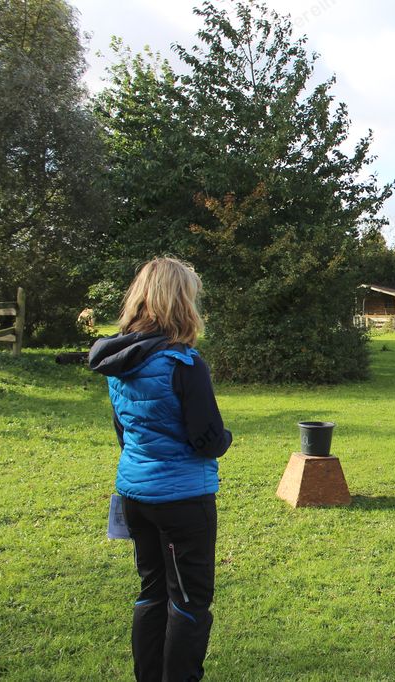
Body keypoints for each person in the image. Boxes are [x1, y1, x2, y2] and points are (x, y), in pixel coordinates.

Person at [89, 257, 232, 681]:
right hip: (182, 500)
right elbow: (208, 440)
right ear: (180, 302)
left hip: (136, 496)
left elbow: (124, 431)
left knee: (152, 593)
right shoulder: (184, 363)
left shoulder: (119, 360)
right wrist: (225, 438)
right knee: (189, 601)